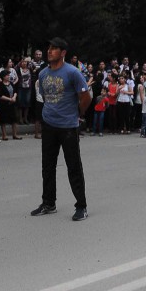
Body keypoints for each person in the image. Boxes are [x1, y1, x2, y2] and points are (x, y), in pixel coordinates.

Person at [31, 37, 92, 221]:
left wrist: (78, 113)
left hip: (68, 127)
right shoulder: (42, 74)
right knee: (47, 166)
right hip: (49, 125)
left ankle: (81, 206)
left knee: (73, 167)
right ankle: (49, 203)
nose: (50, 51)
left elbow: (86, 97)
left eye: (54, 49)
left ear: (63, 53)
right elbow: (44, 96)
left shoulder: (73, 73)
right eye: (49, 48)